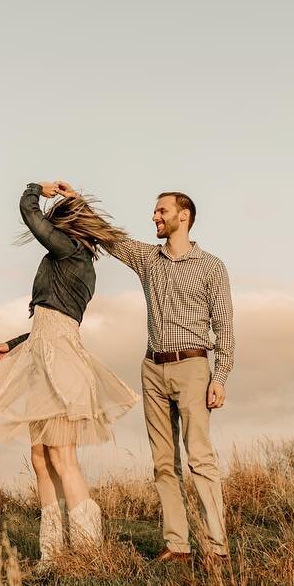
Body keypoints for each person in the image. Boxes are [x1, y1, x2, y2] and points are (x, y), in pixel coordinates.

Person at [55, 182, 232, 565]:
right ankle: (178, 545)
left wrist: (220, 377)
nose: (155, 216)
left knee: (199, 458)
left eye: (161, 211)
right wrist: (76, 202)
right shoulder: (149, 259)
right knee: (163, 462)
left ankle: (217, 548)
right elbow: (111, 238)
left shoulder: (212, 267)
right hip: (152, 366)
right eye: (155, 212)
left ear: (183, 217)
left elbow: (226, 327)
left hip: (194, 367)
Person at [0, 181, 138, 572]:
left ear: (66, 228)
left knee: (62, 456)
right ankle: (53, 555)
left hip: (62, 365)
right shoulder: (71, 258)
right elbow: (47, 319)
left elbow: (31, 217)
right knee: (40, 457)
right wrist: (12, 344)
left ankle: (89, 553)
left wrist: (35, 189)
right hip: (44, 360)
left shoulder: (73, 253)